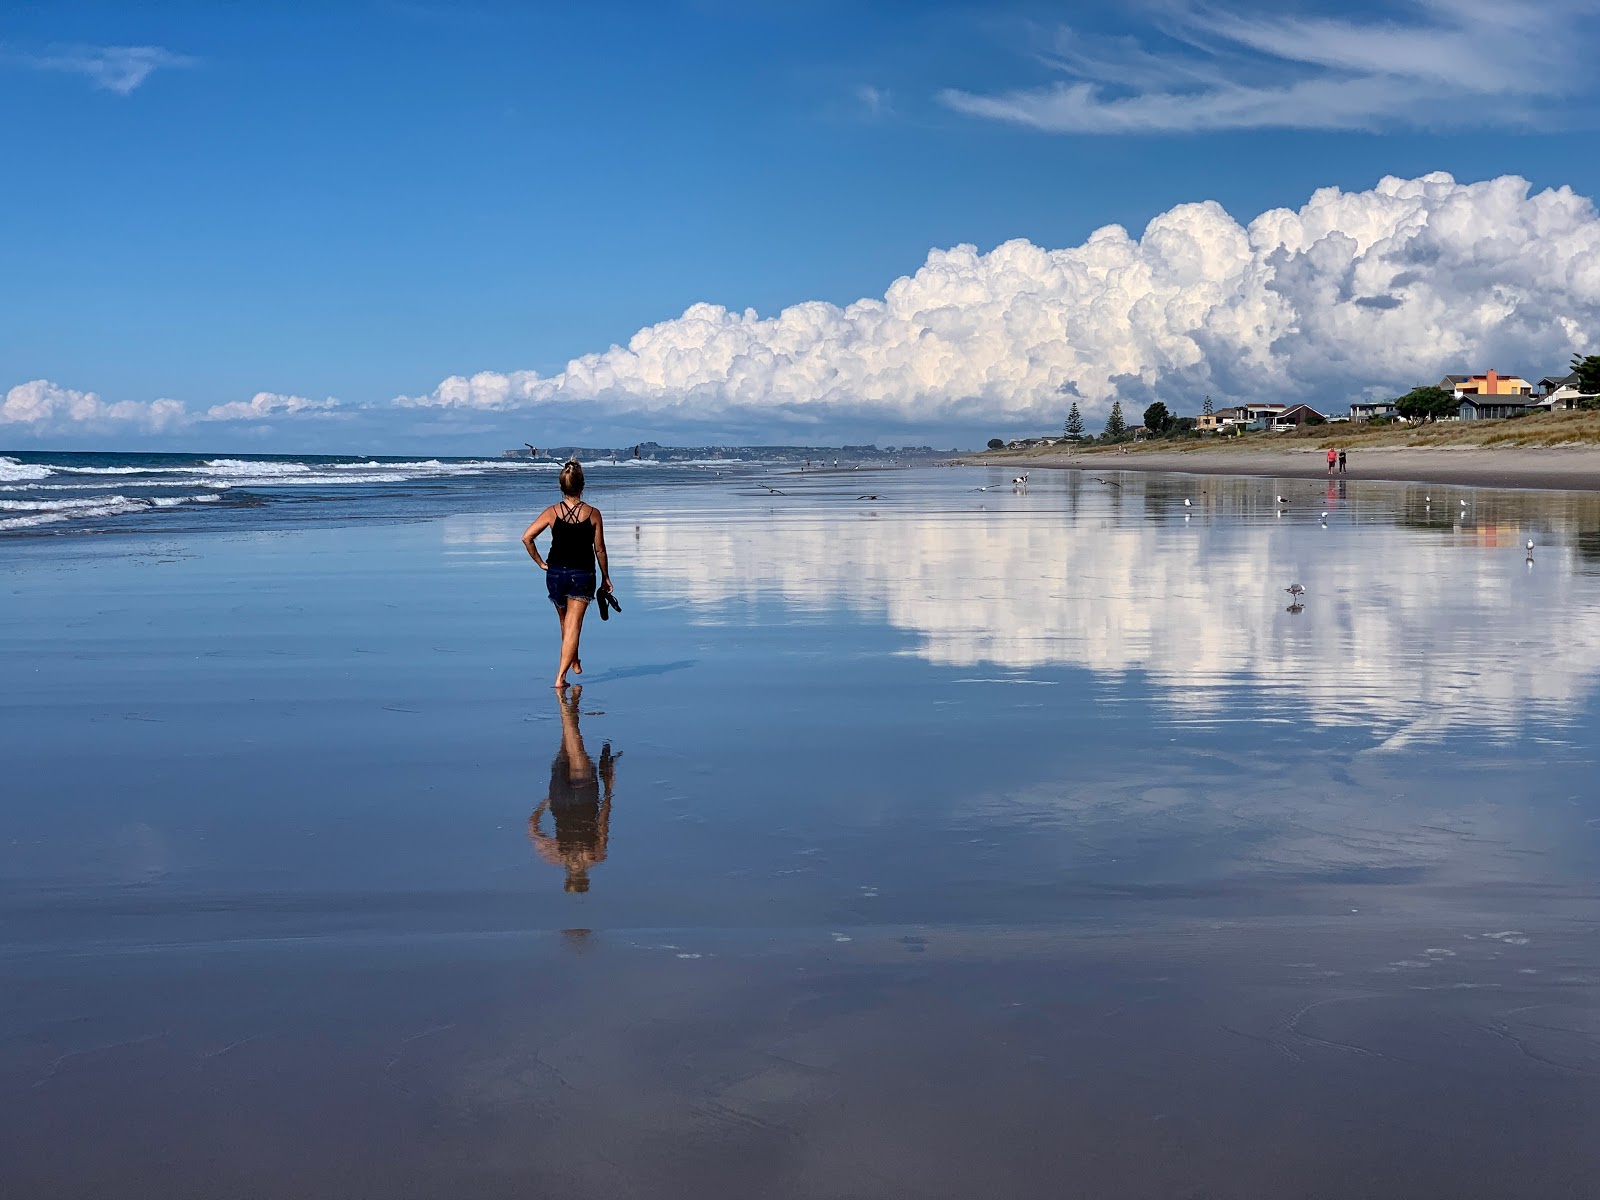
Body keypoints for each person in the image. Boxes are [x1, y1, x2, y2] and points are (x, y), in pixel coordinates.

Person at [521, 460, 612, 688]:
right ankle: (560, 677)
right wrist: (606, 577)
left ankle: (574, 659)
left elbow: (527, 537)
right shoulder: (593, 514)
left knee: (565, 621)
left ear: (561, 487)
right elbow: (599, 549)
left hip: (555, 575)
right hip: (581, 575)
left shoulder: (552, 512)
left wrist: (541, 563)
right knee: (573, 625)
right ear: (582, 486)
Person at [528, 685, 619, 893]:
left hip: (584, 799)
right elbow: (532, 828)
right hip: (560, 801)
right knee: (569, 743)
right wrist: (546, 803)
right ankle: (571, 703)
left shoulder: (595, 855)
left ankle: (563, 701)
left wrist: (607, 790)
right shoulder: (556, 857)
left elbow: (603, 821)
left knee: (572, 741)